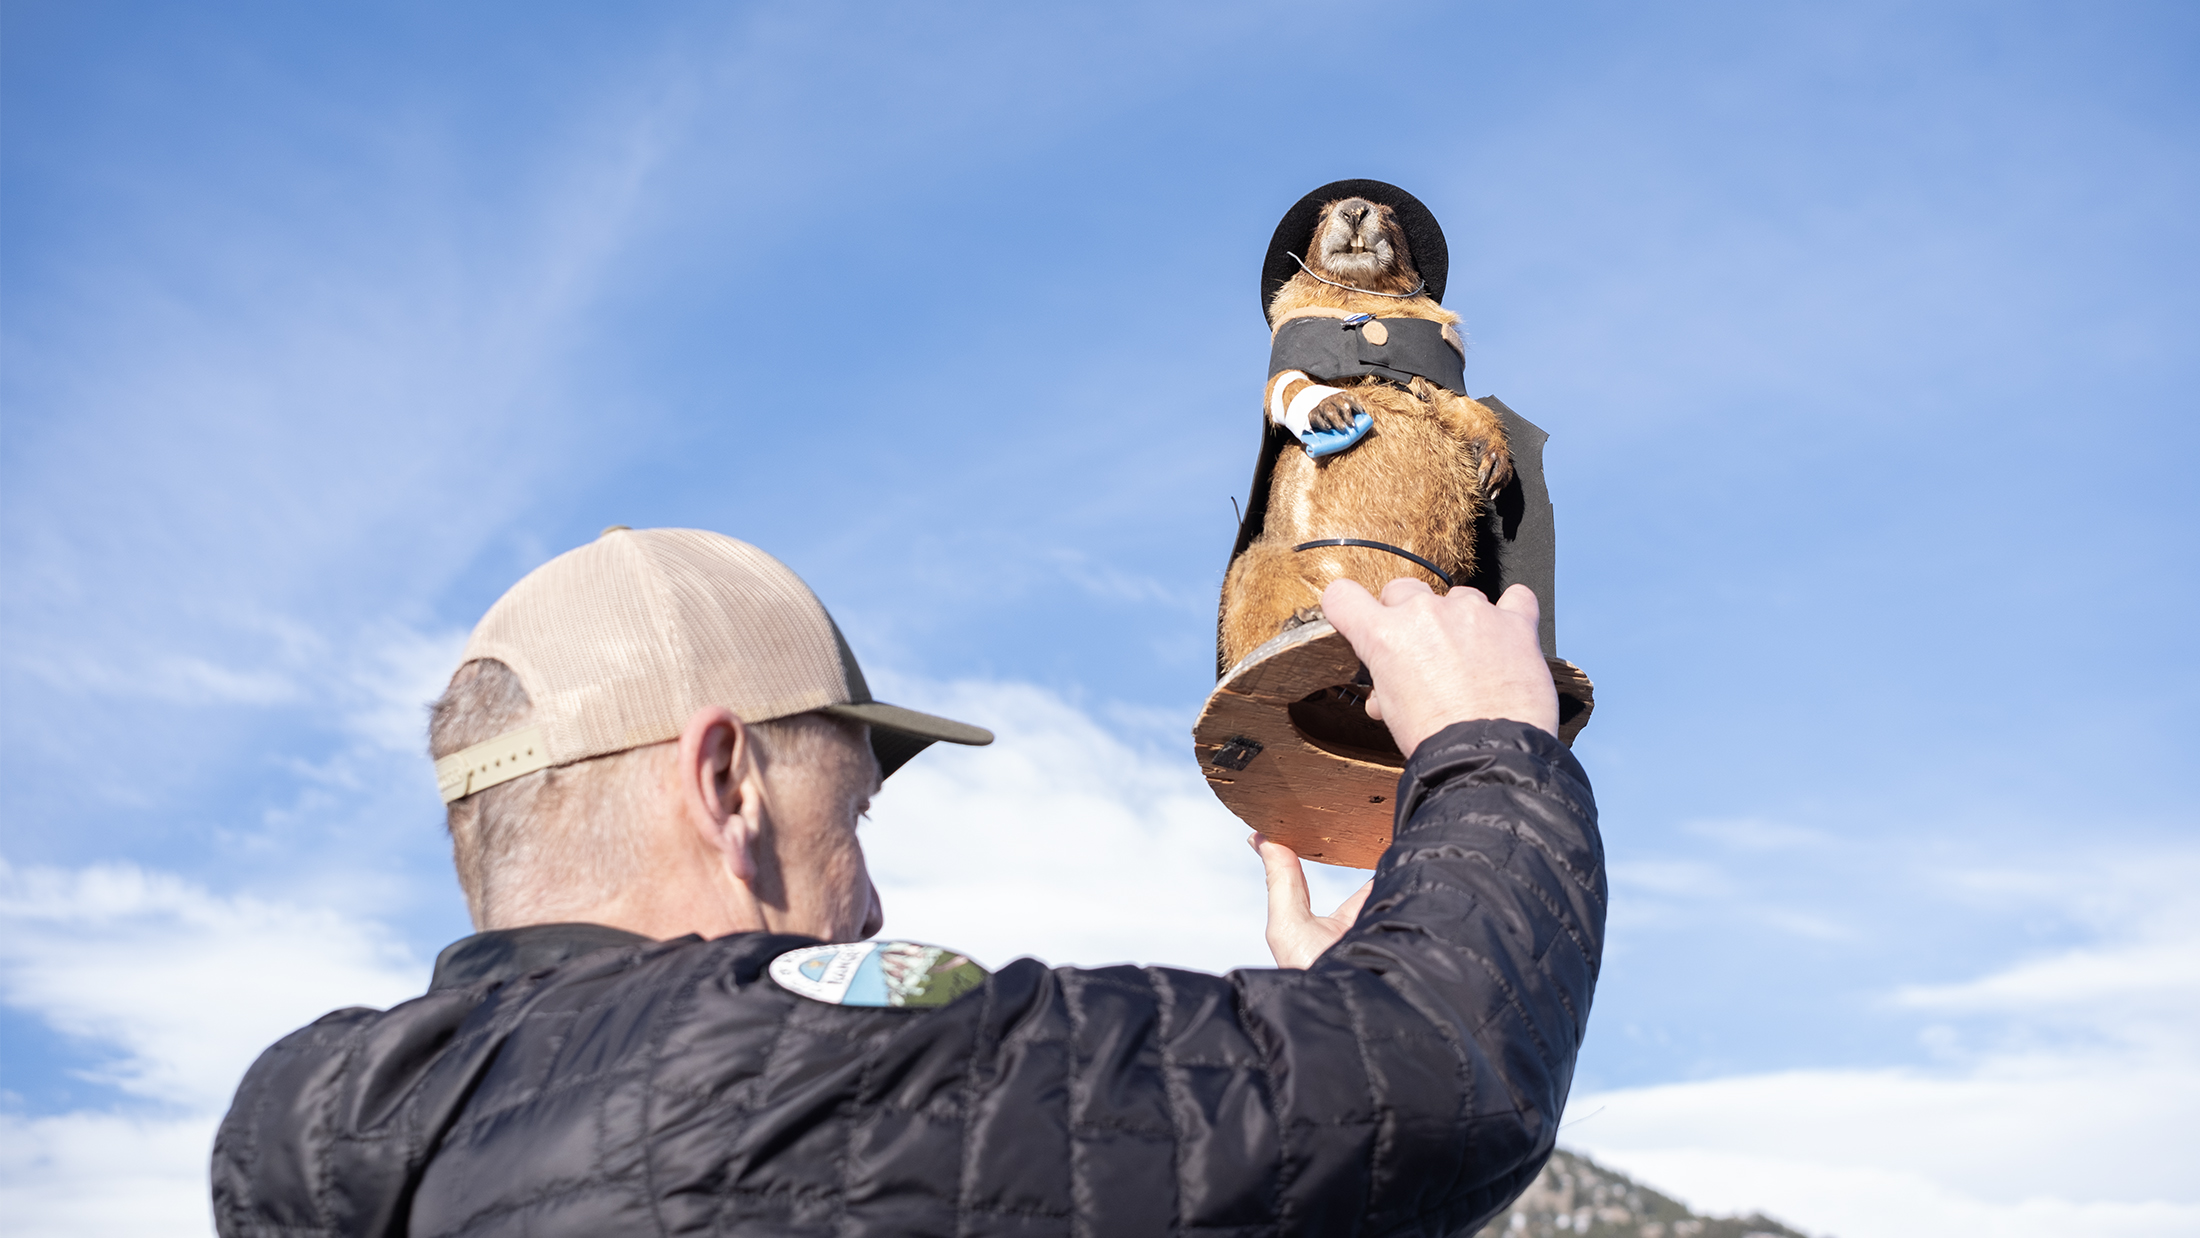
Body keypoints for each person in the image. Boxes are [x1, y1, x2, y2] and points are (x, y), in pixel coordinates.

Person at [211, 526, 1603, 1238]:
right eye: (851, 814)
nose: (870, 901)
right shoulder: (775, 1086)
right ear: (726, 784)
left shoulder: (332, 1146)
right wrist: (1491, 746)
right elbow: (1439, 1076)